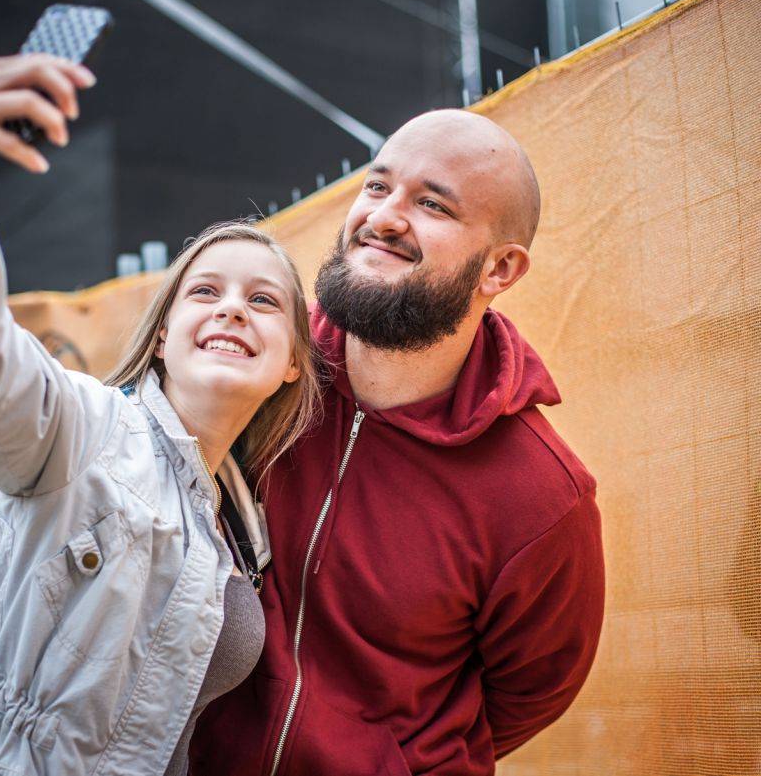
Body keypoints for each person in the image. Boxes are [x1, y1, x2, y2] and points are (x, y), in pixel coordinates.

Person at [191, 110, 606, 775]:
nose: (384, 216)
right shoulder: (261, 369)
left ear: (499, 268)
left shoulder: (545, 496)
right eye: (377, 186)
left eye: (432, 203)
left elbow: (533, 692)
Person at [0, 54, 321, 775]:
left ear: (291, 361)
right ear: (162, 335)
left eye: (262, 300)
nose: (229, 307)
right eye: (205, 290)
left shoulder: (244, 528)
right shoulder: (84, 430)